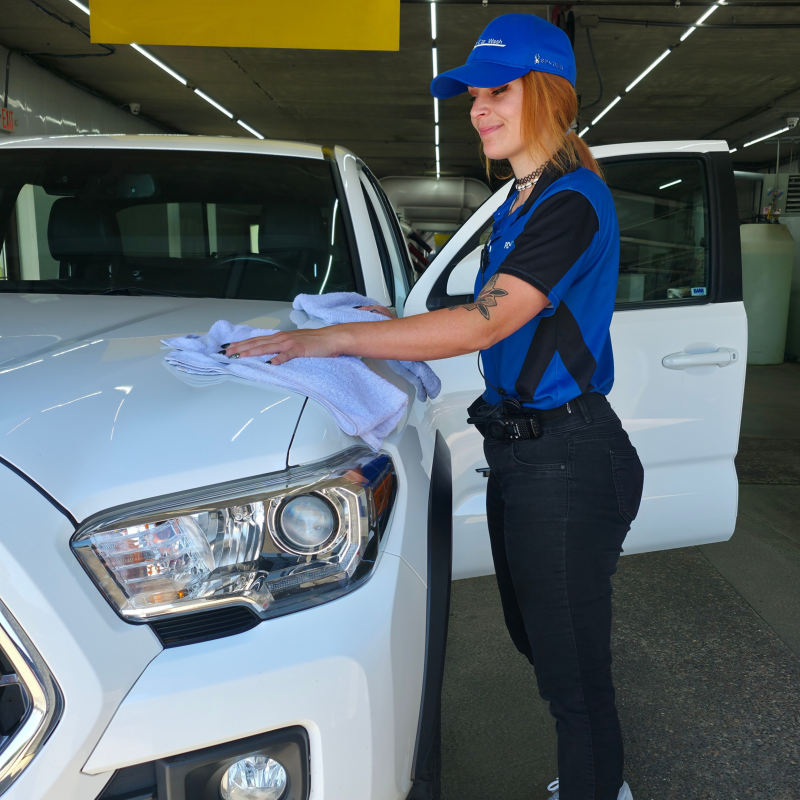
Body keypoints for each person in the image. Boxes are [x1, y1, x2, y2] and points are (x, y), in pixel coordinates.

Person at [222, 13, 644, 800]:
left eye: (499, 92)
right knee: (538, 640)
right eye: (473, 96)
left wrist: (338, 343)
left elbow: (490, 318)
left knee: (572, 669)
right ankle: (595, 770)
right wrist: (382, 325)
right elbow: (491, 307)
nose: (479, 109)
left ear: (547, 93)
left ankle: (596, 784)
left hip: (572, 458)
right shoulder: (521, 199)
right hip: (528, 456)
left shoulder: (572, 201)